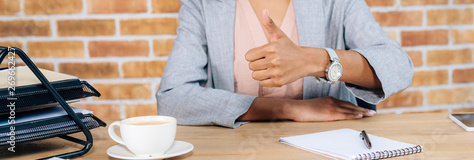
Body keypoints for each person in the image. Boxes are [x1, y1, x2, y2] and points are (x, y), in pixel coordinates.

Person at [156, 0, 414, 128]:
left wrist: (315, 60)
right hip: (236, 150)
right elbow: (172, 98)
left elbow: (398, 67)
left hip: (326, 146)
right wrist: (285, 108)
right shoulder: (203, 5)